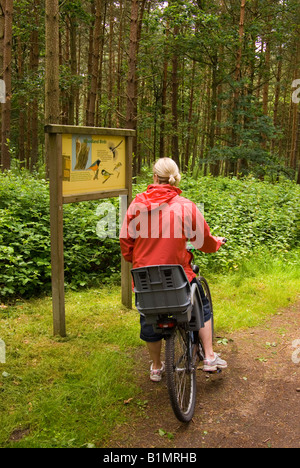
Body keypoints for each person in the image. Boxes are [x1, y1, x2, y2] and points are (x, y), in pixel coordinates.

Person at [120, 158, 227, 382]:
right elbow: (202, 241)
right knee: (202, 304)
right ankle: (208, 357)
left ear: (154, 177)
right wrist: (215, 243)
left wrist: (136, 259)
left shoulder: (137, 204)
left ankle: (157, 366)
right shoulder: (185, 206)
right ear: (175, 178)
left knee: (149, 316)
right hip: (178, 276)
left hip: (145, 277)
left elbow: (126, 240)